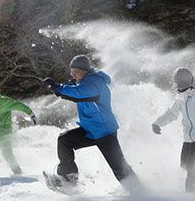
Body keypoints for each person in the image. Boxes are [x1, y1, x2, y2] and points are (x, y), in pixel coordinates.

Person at [42, 55, 143, 193]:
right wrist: (64, 86)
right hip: (90, 131)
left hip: (104, 132)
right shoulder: (85, 82)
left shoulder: (95, 83)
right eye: (71, 71)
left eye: (76, 71)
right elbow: (77, 89)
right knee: (64, 140)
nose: (73, 75)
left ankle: (139, 192)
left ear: (85, 70)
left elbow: (79, 94)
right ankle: (68, 180)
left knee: (119, 167)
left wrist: (56, 87)